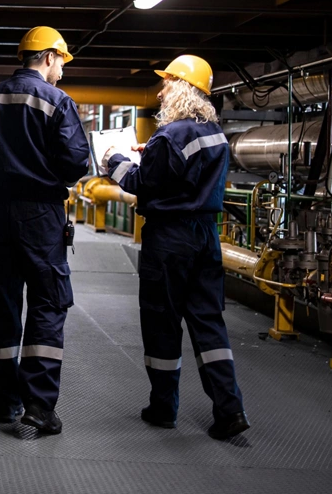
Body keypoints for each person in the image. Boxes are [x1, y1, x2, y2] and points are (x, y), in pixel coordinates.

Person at [102, 54, 250, 440]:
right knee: (208, 323)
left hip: (169, 240)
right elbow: (182, 172)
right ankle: (230, 409)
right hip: (205, 236)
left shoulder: (172, 135)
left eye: (168, 83)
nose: (162, 90)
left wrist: (113, 160)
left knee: (161, 321)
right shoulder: (214, 133)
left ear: (184, 89)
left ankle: (163, 407)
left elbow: (140, 184)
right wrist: (151, 153)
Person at [0, 26, 90, 434]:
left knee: (1, 305)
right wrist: (46, 178)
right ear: (50, 57)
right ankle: (39, 405)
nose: (62, 72)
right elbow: (76, 163)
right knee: (48, 303)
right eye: (61, 63)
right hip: (41, 215)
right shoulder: (57, 101)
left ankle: (6, 404)